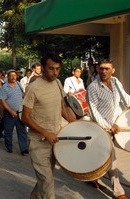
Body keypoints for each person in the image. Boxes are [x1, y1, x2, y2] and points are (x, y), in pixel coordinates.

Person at [21, 52, 76, 198]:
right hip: (38, 143)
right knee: (47, 182)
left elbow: (62, 107)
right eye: (51, 68)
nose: (55, 72)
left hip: (56, 140)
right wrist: (45, 133)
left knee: (45, 180)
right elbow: (24, 117)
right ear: (43, 67)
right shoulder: (34, 88)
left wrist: (75, 123)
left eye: (58, 69)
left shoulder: (58, 83)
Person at [86, 59, 129, 199]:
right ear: (97, 69)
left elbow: (125, 98)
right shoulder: (93, 87)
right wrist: (109, 126)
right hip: (101, 128)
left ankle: (91, 176)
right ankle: (119, 192)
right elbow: (93, 111)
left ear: (113, 70)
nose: (104, 71)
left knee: (100, 156)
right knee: (111, 158)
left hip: (116, 125)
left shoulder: (116, 82)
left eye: (107, 69)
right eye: (101, 69)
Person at [0, 69, 28, 155]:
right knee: (8, 131)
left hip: (20, 112)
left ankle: (23, 149)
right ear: (8, 77)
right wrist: (11, 111)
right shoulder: (5, 87)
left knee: (22, 131)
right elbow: (2, 101)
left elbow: (22, 94)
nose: (13, 77)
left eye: (14, 76)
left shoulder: (18, 84)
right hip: (9, 114)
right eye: (11, 76)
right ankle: (9, 147)